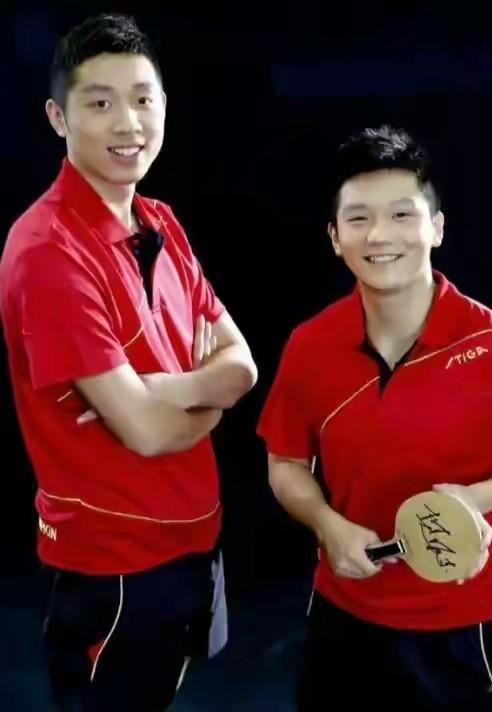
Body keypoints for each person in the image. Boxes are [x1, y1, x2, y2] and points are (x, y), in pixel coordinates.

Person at [256, 125, 492, 711]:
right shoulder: (309, 346)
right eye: (358, 219)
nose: (380, 235)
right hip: (345, 616)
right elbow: (285, 463)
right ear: (334, 237)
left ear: (437, 228)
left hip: (463, 624)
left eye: (402, 214)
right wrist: (326, 524)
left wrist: (475, 498)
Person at [0, 12, 257, 711]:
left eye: (143, 99)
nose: (128, 123)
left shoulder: (161, 221)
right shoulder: (49, 250)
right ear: (58, 117)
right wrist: (209, 394)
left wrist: (170, 388)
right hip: (112, 565)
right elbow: (144, 431)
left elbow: (243, 366)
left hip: (190, 540)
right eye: (99, 103)